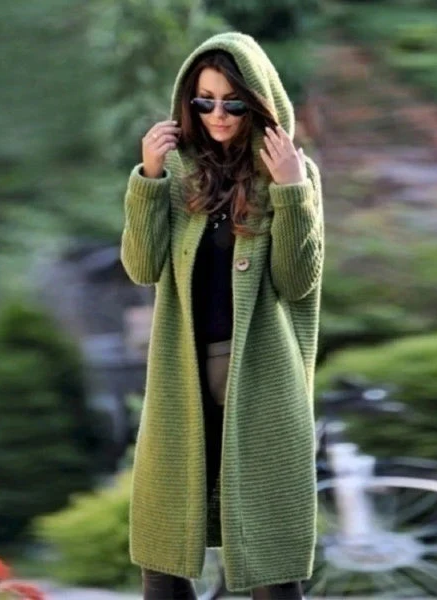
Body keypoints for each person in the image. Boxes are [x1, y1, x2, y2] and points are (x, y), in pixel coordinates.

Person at [120, 31, 324, 600]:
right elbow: (142, 267)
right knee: (163, 557)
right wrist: (148, 179)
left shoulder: (293, 173)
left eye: (233, 103)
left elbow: (297, 281)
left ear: (257, 104)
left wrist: (290, 190)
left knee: (269, 561)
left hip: (260, 379)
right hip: (182, 378)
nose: (217, 114)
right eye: (204, 100)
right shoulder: (175, 172)